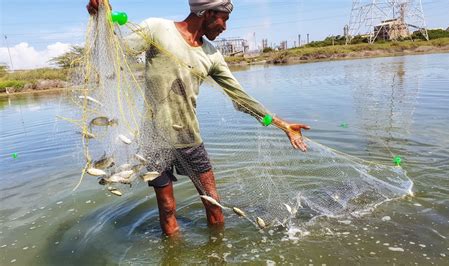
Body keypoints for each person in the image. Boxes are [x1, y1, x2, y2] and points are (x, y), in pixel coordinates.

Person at [86, 0, 310, 236]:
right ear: (208, 13)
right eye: (224, 19)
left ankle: (217, 254)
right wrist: (100, 20)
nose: (224, 27)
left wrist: (282, 124)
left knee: (213, 204)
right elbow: (116, 52)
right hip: (153, 142)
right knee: (167, 207)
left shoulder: (212, 55)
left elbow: (240, 97)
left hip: (189, 140)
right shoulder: (156, 28)